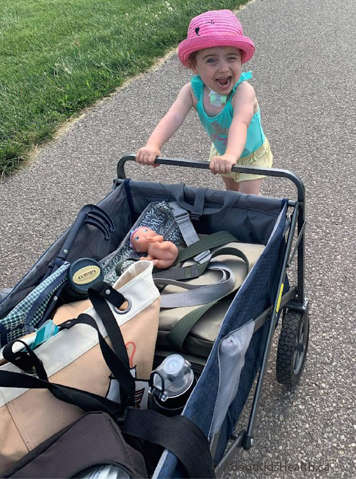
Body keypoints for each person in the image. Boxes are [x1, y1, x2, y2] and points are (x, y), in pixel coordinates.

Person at [136, 9, 273, 195]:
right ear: (194, 66)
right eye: (211, 60)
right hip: (223, 152)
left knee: (249, 201)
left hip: (250, 155)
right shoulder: (193, 91)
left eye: (232, 58)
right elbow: (173, 116)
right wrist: (153, 145)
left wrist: (231, 155)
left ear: (241, 59)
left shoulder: (243, 92)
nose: (224, 68)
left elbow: (240, 122)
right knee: (231, 192)